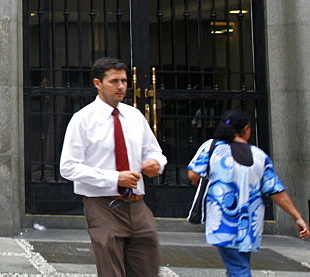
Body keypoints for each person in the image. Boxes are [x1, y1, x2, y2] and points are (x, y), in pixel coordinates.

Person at [59, 57, 166, 277]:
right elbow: (68, 167)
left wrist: (157, 163)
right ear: (97, 83)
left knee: (147, 264)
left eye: (124, 81)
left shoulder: (135, 116)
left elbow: (154, 151)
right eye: (114, 81)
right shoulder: (83, 120)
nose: (121, 87)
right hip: (102, 205)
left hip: (137, 204)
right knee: (111, 270)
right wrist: (114, 178)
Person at [187, 109, 309, 276]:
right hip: (251, 223)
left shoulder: (211, 147)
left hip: (222, 220)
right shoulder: (259, 156)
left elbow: (193, 174)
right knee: (239, 264)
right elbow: (276, 191)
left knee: (238, 267)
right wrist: (298, 217)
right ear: (245, 129)